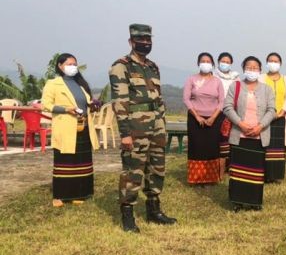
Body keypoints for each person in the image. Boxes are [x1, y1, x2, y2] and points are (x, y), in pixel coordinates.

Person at [109, 23, 177, 232]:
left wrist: (162, 124)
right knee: (133, 170)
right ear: (131, 41)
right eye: (141, 40)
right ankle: (128, 215)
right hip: (136, 126)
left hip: (156, 125)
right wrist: (125, 134)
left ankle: (153, 210)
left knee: (157, 168)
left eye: (148, 40)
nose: (145, 43)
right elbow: (120, 102)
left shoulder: (152, 67)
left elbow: (158, 98)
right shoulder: (121, 66)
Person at [40, 53, 99, 207]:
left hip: (83, 126)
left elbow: (85, 103)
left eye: (75, 64)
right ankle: (59, 196)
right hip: (66, 127)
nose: (73, 67)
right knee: (64, 162)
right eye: (69, 64)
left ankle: (78, 193)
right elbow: (46, 104)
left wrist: (92, 105)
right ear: (60, 66)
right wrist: (66, 109)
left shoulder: (80, 84)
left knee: (81, 162)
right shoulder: (53, 84)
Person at [223, 56, 276, 210]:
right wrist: (240, 124)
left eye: (255, 68)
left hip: (259, 135)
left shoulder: (267, 89)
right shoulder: (236, 86)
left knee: (256, 171)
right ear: (243, 68)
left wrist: (260, 126)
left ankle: (254, 202)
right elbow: (227, 107)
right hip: (239, 135)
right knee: (238, 169)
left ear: (260, 70)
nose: (252, 70)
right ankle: (237, 201)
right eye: (248, 67)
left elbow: (271, 110)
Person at [183, 52, 225, 186]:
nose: (205, 63)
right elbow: (186, 99)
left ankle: (211, 178)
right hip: (195, 119)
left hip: (214, 119)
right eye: (203, 61)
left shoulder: (217, 81)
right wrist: (197, 116)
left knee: (211, 147)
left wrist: (213, 117)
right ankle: (196, 178)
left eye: (208, 61)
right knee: (196, 147)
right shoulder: (191, 79)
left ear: (212, 65)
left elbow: (222, 101)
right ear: (198, 63)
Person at [261, 52, 286, 183]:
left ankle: (277, 175)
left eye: (276, 61)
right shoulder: (261, 78)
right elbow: (259, 95)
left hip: (280, 117)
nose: (273, 63)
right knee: (265, 145)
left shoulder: (285, 79)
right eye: (270, 60)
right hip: (264, 117)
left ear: (280, 64)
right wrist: (268, 114)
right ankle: (266, 175)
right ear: (266, 62)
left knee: (279, 147)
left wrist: (282, 111)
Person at [215, 51, 237, 174]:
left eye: (228, 62)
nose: (225, 64)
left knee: (230, 139)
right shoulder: (213, 76)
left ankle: (230, 166)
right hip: (216, 112)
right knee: (217, 139)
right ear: (218, 62)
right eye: (223, 61)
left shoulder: (235, 78)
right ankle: (217, 168)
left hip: (232, 113)